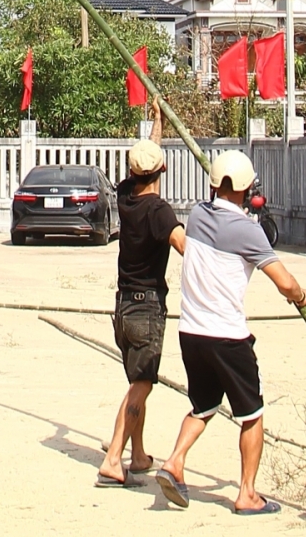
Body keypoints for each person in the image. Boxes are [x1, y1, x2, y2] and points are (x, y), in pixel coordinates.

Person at [154, 150, 306, 515]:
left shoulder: (197, 215)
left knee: (203, 406)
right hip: (227, 336)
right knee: (251, 413)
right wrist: (302, 295)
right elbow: (284, 282)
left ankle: (174, 462)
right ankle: (247, 494)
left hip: (191, 332)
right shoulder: (248, 231)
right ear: (246, 188)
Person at [95, 139, 186, 488]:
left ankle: (139, 455)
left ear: (133, 172)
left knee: (137, 383)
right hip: (147, 307)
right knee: (142, 386)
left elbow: (148, 156)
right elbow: (181, 244)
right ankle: (113, 459)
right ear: (162, 170)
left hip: (123, 306)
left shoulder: (125, 195)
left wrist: (157, 122)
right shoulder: (159, 211)